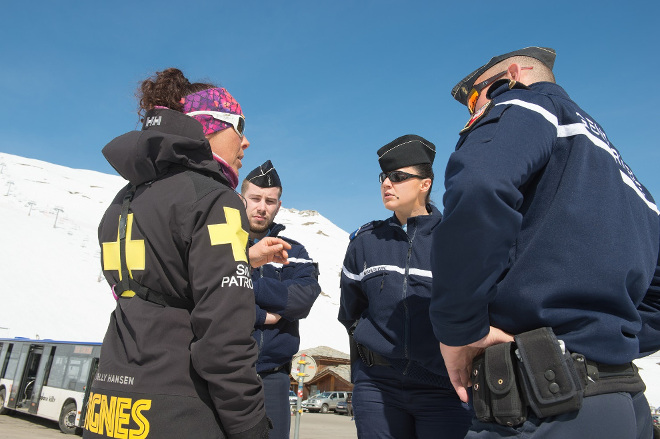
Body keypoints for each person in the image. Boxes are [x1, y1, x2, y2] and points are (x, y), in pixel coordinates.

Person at [430, 47, 660, 439]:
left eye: (474, 98)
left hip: (541, 408)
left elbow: (480, 187)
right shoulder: (629, 179)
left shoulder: (524, 104)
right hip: (619, 402)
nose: (472, 113)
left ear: (512, 76)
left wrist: (459, 329)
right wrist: (599, 343)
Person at [86, 68, 291, 439]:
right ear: (208, 127)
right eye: (239, 126)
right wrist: (250, 425)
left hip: (109, 403)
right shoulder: (216, 200)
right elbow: (223, 332)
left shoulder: (125, 200)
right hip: (177, 408)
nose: (245, 143)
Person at [338, 135, 473, 439]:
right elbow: (351, 312)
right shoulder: (365, 243)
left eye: (399, 177)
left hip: (444, 387)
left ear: (425, 184)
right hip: (378, 387)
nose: (387, 183)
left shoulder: (455, 240)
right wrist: (364, 372)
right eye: (384, 177)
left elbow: (473, 308)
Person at [240, 160, 321, 439]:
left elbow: (302, 301)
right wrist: (261, 314)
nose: (262, 207)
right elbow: (208, 295)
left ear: (278, 205)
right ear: (242, 199)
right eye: (255, 198)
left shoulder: (294, 251)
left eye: (270, 201)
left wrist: (250, 284)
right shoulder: (223, 244)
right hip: (225, 372)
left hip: (274, 380)